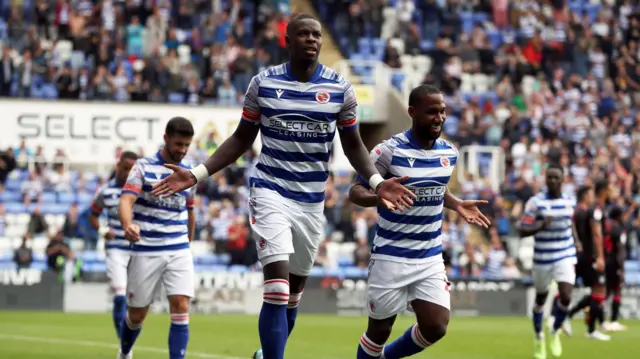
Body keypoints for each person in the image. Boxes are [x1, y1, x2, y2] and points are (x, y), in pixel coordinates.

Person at [149, 14, 415, 359]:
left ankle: (266, 353)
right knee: (276, 288)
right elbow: (242, 138)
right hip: (270, 189)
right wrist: (197, 173)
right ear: (287, 41)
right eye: (303, 34)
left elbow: (353, 145)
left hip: (311, 200)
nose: (312, 39)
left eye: (316, 34)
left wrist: (377, 183)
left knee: (292, 296)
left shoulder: (339, 88)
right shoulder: (263, 83)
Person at [349, 84, 490, 359]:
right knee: (379, 331)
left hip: (429, 256)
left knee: (436, 325)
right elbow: (356, 191)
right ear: (412, 112)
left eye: (443, 111)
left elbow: (435, 187)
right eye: (432, 112)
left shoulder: (449, 153)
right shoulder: (387, 151)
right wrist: (378, 196)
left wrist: (456, 203)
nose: (439, 118)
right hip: (391, 255)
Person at [116, 117, 197, 359]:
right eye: (178, 144)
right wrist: (128, 224)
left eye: (186, 145)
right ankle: (124, 352)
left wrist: (188, 244)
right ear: (165, 139)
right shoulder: (142, 166)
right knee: (137, 315)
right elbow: (126, 200)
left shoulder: (190, 172)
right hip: (146, 248)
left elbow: (190, 210)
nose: (182, 150)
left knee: (181, 305)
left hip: (178, 247)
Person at [517, 164, 578, 359]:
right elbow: (521, 229)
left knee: (566, 296)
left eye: (556, 178)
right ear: (545, 180)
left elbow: (571, 223)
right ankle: (538, 336)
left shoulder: (570, 201)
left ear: (563, 180)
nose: (552, 181)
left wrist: (577, 241)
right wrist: (541, 225)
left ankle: (554, 331)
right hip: (542, 257)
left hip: (564, 254)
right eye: (549, 177)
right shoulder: (535, 203)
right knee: (541, 299)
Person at [89, 150, 138, 340]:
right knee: (120, 297)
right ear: (117, 167)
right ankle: (123, 344)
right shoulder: (105, 191)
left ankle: (127, 340)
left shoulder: (140, 192)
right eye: (125, 169)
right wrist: (102, 230)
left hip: (138, 251)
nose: (127, 174)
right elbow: (93, 215)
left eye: (132, 170)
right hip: (116, 249)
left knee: (136, 303)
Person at [571, 180, 611, 341]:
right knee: (598, 290)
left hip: (588, 255)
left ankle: (581, 321)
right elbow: (596, 234)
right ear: (603, 191)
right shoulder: (595, 209)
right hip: (593, 256)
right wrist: (600, 256)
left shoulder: (591, 209)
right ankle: (591, 329)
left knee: (597, 291)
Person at [601, 206, 627, 332]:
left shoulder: (608, 228)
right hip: (614, 264)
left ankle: (595, 314)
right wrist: (622, 269)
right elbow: (620, 251)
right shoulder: (619, 230)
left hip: (607, 262)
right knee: (616, 291)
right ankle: (613, 321)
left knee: (607, 292)